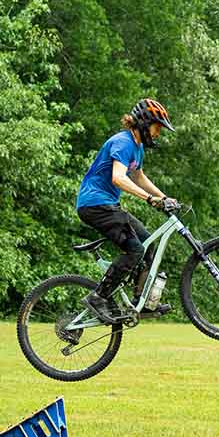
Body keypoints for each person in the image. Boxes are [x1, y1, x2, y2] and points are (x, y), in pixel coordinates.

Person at [76, 98, 177, 323]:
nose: (158, 133)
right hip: (94, 204)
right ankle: (98, 297)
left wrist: (164, 198)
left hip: (106, 205)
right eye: (157, 127)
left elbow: (139, 177)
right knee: (135, 249)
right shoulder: (123, 143)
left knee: (147, 242)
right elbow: (118, 178)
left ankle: (142, 302)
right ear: (144, 123)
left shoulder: (137, 147)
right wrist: (150, 199)